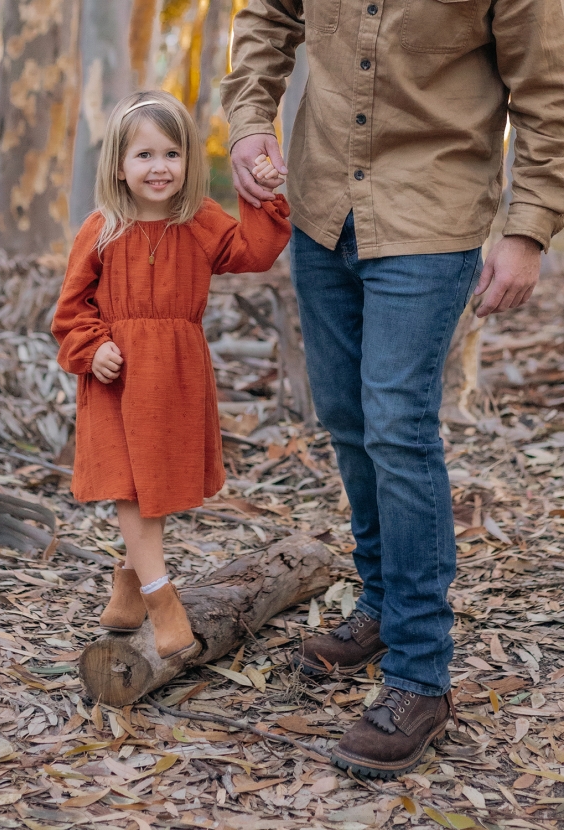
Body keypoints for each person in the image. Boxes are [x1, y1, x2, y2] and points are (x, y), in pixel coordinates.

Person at [221, 0, 564, 777]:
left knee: (398, 429)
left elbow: (547, 95)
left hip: (429, 212)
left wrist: (527, 228)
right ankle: (380, 603)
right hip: (319, 204)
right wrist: (248, 121)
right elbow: (268, 16)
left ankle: (420, 672)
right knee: (345, 415)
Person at [52, 91, 291, 661]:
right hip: (116, 375)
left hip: (175, 375)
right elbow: (68, 311)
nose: (159, 168)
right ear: (118, 164)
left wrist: (262, 191)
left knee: (153, 486)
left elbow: (255, 252)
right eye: (144, 155)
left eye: (172, 154)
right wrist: (92, 348)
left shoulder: (200, 221)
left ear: (187, 161)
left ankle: (128, 585)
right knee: (128, 486)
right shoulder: (101, 229)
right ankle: (162, 599)